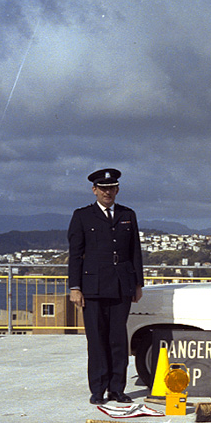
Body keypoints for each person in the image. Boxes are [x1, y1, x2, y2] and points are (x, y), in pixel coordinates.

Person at [68, 168, 144, 404]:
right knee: (97, 339)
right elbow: (75, 254)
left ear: (117, 189)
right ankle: (98, 389)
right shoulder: (82, 216)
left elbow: (135, 252)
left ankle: (117, 389)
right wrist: (75, 287)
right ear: (95, 190)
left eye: (111, 188)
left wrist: (138, 284)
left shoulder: (127, 214)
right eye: (103, 189)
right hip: (93, 287)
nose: (107, 192)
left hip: (121, 285)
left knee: (118, 339)